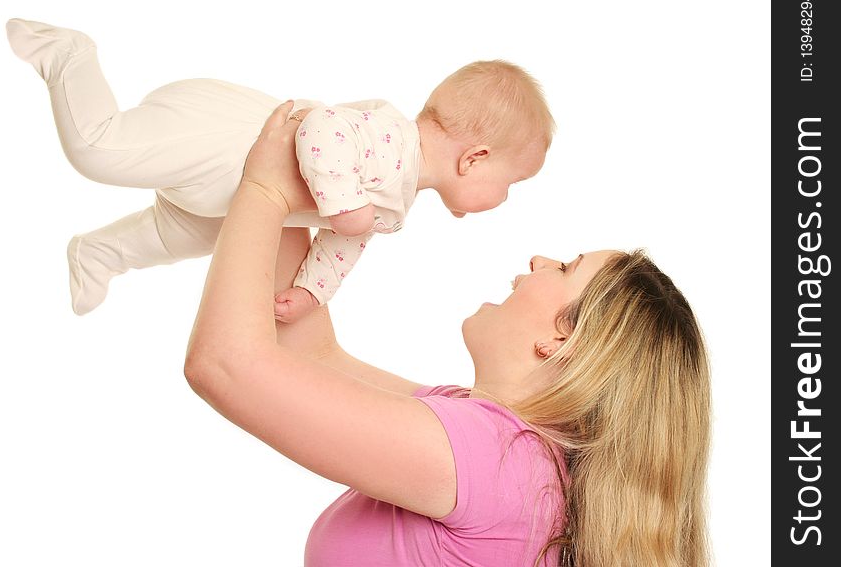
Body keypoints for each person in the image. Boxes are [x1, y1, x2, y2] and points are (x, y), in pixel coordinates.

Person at [184, 102, 712, 566]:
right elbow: (310, 354)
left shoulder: (498, 458)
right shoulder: (510, 451)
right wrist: (308, 170)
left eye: (566, 268)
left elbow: (227, 366)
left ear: (562, 341)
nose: (539, 260)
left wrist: (264, 188)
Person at [5, 18, 554, 319]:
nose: (504, 199)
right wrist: (344, 205)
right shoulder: (393, 141)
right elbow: (321, 129)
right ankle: (72, 54)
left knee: (181, 235)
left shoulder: (400, 194)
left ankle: (97, 253)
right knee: (99, 149)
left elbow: (343, 244)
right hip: (228, 138)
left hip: (231, 189)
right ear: (474, 158)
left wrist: (313, 290)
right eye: (511, 184)